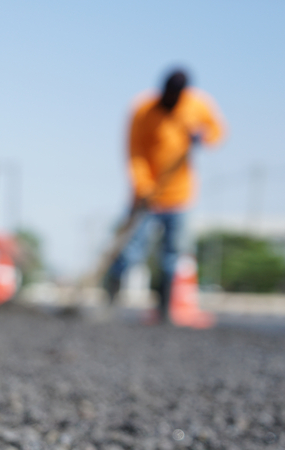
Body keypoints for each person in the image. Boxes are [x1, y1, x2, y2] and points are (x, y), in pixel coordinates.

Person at [106, 69, 225, 321]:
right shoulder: (143, 110)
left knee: (172, 254)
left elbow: (217, 132)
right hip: (147, 196)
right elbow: (134, 152)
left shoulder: (197, 106)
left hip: (180, 196)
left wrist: (203, 135)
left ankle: (164, 309)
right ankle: (109, 300)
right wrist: (144, 186)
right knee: (131, 249)